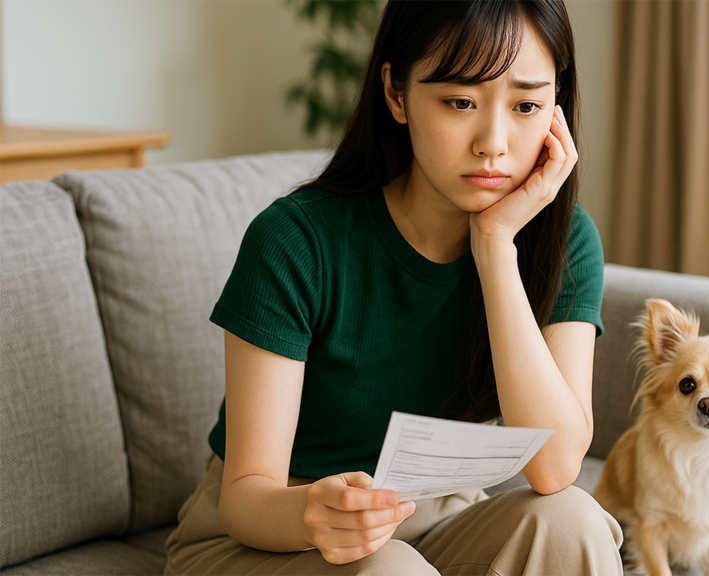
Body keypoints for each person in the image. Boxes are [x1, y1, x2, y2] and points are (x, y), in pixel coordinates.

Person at [163, 0, 623, 574]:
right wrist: (317, 512)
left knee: (571, 520)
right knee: (390, 570)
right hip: (272, 535)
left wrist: (495, 248)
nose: (494, 143)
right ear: (397, 93)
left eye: (527, 105)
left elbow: (554, 468)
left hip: (434, 519)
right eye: (460, 101)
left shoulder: (563, 239)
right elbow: (246, 497)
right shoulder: (296, 241)